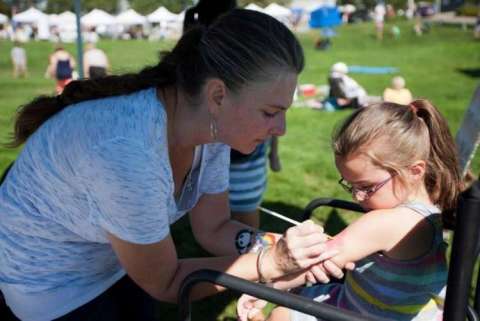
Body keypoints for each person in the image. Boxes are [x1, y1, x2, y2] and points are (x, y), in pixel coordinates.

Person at [0, 9, 347, 321]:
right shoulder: (128, 150)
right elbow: (166, 281)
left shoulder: (208, 129)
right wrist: (271, 263)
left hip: (108, 262)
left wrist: (284, 247)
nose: (281, 129)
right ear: (217, 96)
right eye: (271, 113)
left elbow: (213, 228)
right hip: (46, 286)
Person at [237, 99, 462, 321]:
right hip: (376, 306)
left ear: (414, 171)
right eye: (350, 186)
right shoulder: (429, 209)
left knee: (280, 316)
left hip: (367, 314)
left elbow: (319, 260)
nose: (357, 196)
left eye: (367, 187)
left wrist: (264, 290)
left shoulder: (388, 222)